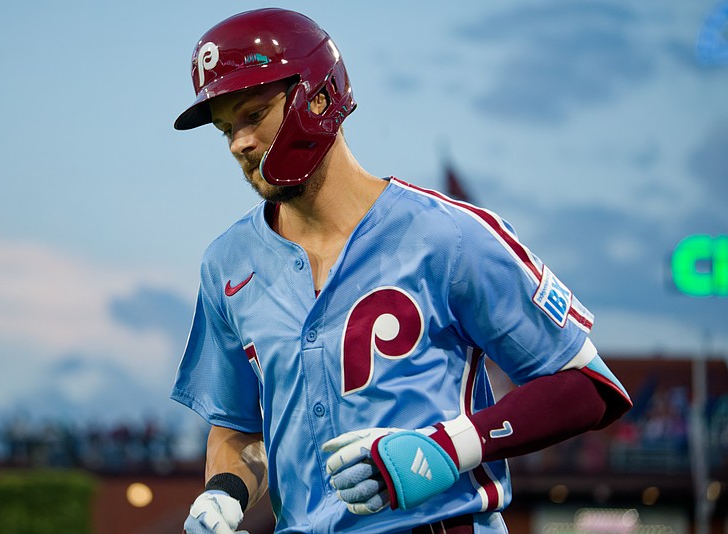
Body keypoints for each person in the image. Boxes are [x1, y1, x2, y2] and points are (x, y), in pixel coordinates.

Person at [170, 8, 632, 534]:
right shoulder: (227, 263)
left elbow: (588, 385)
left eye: (253, 115)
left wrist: (446, 448)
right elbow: (238, 425)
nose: (238, 144)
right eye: (227, 129)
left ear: (317, 97)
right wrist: (223, 495)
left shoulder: (447, 235)